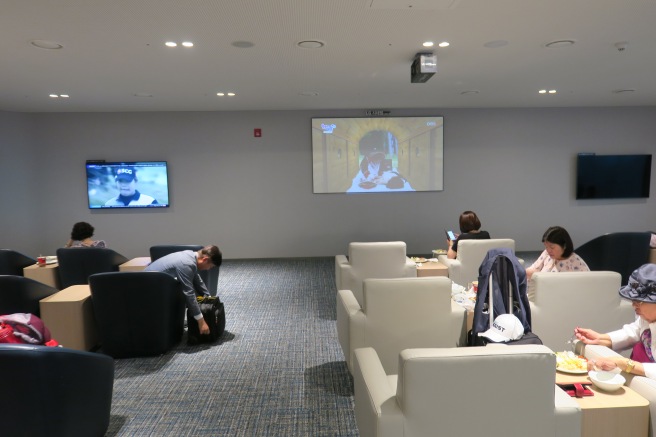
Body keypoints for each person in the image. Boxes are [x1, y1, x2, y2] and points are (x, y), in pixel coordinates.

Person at [575, 264, 656, 379]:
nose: (634, 305)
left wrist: (623, 363)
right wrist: (601, 338)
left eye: (640, 301)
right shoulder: (646, 318)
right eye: (633, 300)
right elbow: (635, 331)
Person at [144, 245, 222, 335]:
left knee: (184, 289)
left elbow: (197, 280)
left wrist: (209, 298)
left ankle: (175, 322)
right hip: (147, 289)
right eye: (210, 266)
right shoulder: (186, 264)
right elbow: (189, 293)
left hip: (153, 285)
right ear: (204, 259)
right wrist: (201, 321)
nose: (208, 269)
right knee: (185, 292)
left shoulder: (190, 255)